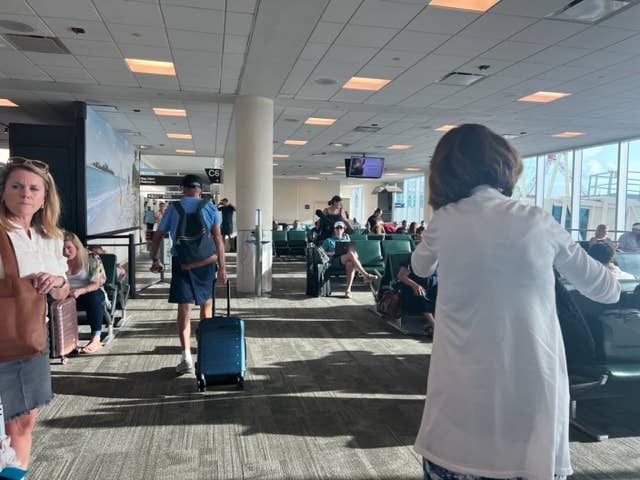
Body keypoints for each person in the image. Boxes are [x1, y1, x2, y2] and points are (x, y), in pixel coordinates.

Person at [410, 124, 620, 480]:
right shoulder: (537, 221)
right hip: (531, 405)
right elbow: (606, 291)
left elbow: (418, 266)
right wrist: (610, 271)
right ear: (504, 166)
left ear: (443, 172)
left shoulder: (444, 221)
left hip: (459, 405)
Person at [0, 156, 69, 469]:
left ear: (44, 199)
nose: (24, 193)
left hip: (30, 338)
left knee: (24, 421)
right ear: (3, 192)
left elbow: (63, 290)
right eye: (16, 186)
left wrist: (55, 281)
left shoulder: (51, 237)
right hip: (3, 341)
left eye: (33, 188)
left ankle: (18, 474)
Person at [150, 174, 227, 375]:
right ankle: (204, 351)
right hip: (206, 263)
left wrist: (155, 258)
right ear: (200, 190)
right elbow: (218, 239)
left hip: (182, 263)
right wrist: (223, 268)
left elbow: (158, 235)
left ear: (183, 189)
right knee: (206, 306)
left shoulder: (173, 209)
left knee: (184, 309)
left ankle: (186, 358)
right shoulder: (210, 208)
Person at [63, 231, 107, 354]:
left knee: (93, 298)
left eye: (69, 248)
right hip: (65, 292)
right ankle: (63, 340)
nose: (65, 252)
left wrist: (80, 291)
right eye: (62, 248)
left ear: (77, 247)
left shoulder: (91, 258)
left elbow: (96, 284)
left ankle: (96, 339)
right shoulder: (58, 259)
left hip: (89, 290)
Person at [321, 220, 377, 299]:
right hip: (334, 260)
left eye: (341, 228)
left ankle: (348, 290)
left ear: (343, 229)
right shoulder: (329, 241)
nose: (339, 229)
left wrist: (354, 254)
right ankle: (365, 275)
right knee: (350, 255)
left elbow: (352, 252)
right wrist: (332, 253)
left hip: (347, 260)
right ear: (334, 229)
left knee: (350, 263)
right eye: (337, 228)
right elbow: (320, 253)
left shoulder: (347, 239)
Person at [396, 261, 437, 336]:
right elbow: (401, 276)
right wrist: (415, 286)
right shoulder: (412, 259)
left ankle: (430, 325)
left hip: (432, 288)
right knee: (422, 296)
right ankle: (435, 327)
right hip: (413, 291)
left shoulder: (437, 259)